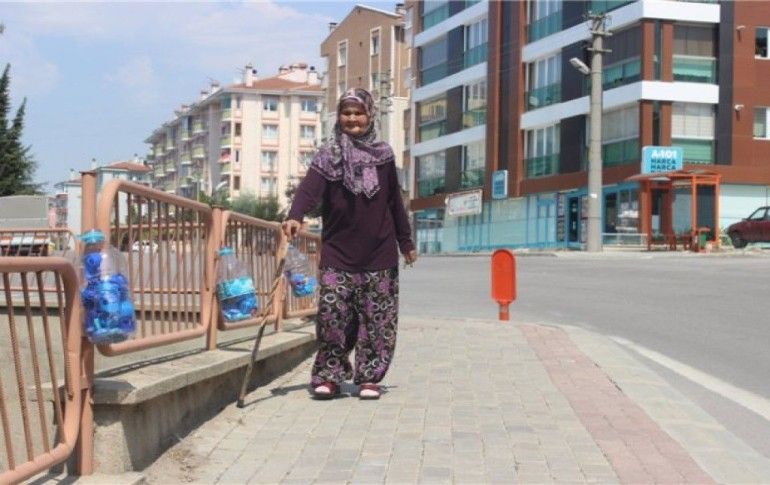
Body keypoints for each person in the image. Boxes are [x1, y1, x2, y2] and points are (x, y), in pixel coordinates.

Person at [282, 87, 417, 400]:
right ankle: (329, 376)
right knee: (332, 315)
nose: (352, 119)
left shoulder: (384, 155)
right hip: (338, 252)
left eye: (358, 113)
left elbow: (394, 203)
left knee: (377, 320)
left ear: (370, 116)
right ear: (339, 117)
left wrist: (406, 242)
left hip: (379, 252)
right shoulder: (328, 156)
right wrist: (295, 215)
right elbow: (308, 189)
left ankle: (369, 377)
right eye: (346, 113)